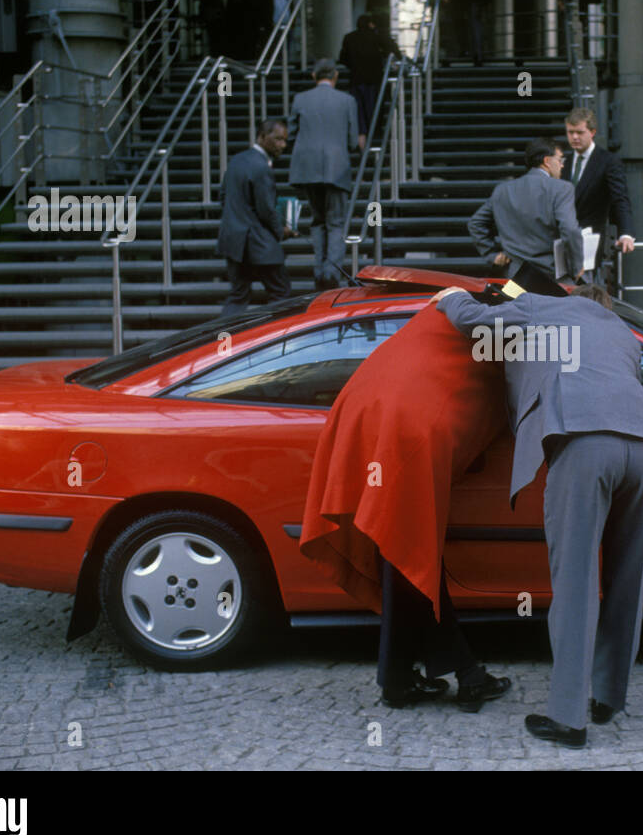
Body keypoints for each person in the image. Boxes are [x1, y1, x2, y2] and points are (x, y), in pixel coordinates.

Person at [436, 283, 643, 749]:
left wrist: (449, 298)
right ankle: (608, 698)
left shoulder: (543, 306)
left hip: (584, 441)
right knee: (629, 580)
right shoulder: (623, 331)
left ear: (572, 295)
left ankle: (567, 718)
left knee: (576, 585)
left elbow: (474, 322)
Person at [299, 299, 513, 711]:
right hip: (407, 430)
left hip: (362, 414)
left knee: (397, 550)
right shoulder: (509, 333)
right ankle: (464, 676)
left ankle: (402, 679)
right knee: (407, 551)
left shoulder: (446, 311)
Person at [468, 138, 584, 288]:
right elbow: (569, 229)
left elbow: (475, 223)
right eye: (560, 159)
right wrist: (576, 267)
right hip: (552, 277)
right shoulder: (562, 188)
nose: (562, 165)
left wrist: (492, 255)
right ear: (547, 161)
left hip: (514, 278)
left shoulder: (503, 190)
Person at [288, 59, 363, 290]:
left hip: (307, 167)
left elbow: (291, 132)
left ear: (313, 76)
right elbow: (353, 140)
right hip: (336, 166)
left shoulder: (300, 99)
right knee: (336, 221)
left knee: (318, 220)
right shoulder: (347, 100)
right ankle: (332, 271)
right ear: (336, 76)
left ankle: (319, 270)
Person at [216, 119, 295, 315]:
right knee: (281, 292)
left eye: (284, 140)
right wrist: (281, 231)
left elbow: (223, 196)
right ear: (262, 137)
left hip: (234, 240)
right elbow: (266, 210)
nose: (283, 145)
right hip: (258, 242)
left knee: (238, 296)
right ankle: (273, 340)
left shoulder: (237, 160)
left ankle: (224, 342)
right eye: (278, 139)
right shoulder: (261, 167)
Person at [561, 107, 636, 291]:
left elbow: (620, 199)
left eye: (580, 132)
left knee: (586, 292)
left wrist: (626, 233)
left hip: (591, 243)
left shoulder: (608, 161)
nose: (575, 137)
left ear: (592, 132)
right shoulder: (564, 161)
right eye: (570, 132)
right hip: (562, 240)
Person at [339, 14, 401, 135]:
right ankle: (374, 132)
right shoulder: (377, 36)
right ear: (371, 24)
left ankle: (360, 133)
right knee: (374, 107)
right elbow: (392, 48)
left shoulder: (349, 38)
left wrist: (353, 65)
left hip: (356, 78)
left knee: (358, 109)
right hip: (374, 78)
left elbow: (343, 58)